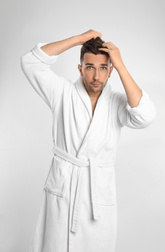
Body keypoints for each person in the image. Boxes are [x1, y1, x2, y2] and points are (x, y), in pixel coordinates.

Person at [20, 29, 156, 252]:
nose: (96, 76)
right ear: (80, 68)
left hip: (97, 194)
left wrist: (121, 65)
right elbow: (30, 62)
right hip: (64, 188)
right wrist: (78, 40)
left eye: (103, 68)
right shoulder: (62, 93)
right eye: (90, 67)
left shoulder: (117, 102)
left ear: (110, 71)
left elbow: (145, 116)